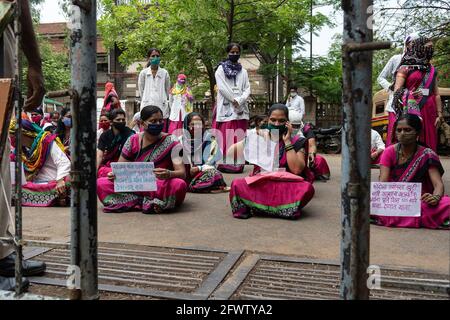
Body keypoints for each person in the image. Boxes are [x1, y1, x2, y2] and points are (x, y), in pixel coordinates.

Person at [0, 0, 47, 292]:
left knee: (2, 146)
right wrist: (36, 62)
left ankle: (2, 250)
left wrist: (34, 61)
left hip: (3, 24)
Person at [227, 104, 315, 219]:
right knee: (237, 184)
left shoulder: (297, 141)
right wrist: (250, 140)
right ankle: (279, 209)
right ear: (267, 120)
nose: (277, 124)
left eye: (281, 121)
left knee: (307, 188)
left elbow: (296, 169)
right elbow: (230, 154)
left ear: (287, 123)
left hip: (285, 187)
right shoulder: (259, 137)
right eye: (273, 120)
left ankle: (261, 207)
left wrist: (287, 142)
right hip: (262, 184)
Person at [97, 105, 187, 214]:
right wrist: (115, 175)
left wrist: (169, 173)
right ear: (142, 123)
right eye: (153, 121)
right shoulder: (132, 140)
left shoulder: (172, 141)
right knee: (101, 183)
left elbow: (182, 173)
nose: (158, 124)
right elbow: (121, 168)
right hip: (134, 183)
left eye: (160, 121)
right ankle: (148, 202)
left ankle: (133, 201)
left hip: (157, 183)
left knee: (179, 185)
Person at [372, 114, 449, 229]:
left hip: (420, 201)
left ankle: (394, 218)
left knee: (445, 203)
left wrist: (435, 198)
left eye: (407, 130)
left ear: (418, 132)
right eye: (399, 130)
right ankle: (419, 218)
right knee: (362, 200)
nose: (402, 133)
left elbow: (438, 184)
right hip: (392, 201)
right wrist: (389, 200)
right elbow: (383, 183)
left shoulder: (427, 154)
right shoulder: (389, 152)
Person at [390, 36, 443, 152]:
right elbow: (397, 91)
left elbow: (436, 93)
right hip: (411, 108)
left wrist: (439, 114)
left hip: (429, 110)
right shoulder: (405, 67)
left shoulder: (431, 69)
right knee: (411, 139)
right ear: (419, 48)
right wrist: (410, 94)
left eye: (431, 48)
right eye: (427, 48)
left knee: (429, 141)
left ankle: (428, 165)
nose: (430, 50)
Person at [9, 118, 71, 207]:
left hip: (54, 182)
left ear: (25, 134)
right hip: (35, 184)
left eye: (14, 136)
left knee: (66, 185)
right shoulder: (20, 150)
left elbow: (63, 162)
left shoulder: (46, 142)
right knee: (14, 187)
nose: (13, 139)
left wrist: (60, 180)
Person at [215, 43, 251, 173]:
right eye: (232, 52)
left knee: (240, 134)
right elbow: (222, 87)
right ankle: (226, 162)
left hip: (240, 106)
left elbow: (247, 88)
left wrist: (240, 100)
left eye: (237, 52)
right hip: (227, 106)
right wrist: (233, 99)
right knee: (227, 134)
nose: (235, 54)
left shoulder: (244, 71)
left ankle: (238, 161)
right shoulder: (220, 70)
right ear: (228, 53)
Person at [378, 34, 419, 146]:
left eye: (418, 42)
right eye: (412, 42)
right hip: (396, 103)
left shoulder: (421, 62)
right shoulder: (396, 59)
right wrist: (390, 87)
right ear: (407, 44)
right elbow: (380, 77)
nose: (415, 45)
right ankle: (391, 160)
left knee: (412, 133)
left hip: (414, 103)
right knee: (395, 132)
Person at [181, 112, 228, 193]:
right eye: (193, 124)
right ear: (187, 126)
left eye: (200, 124)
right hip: (185, 174)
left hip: (202, 172)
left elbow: (212, 161)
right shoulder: (180, 140)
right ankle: (204, 187)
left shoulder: (210, 139)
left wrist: (199, 168)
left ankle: (191, 186)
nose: (197, 127)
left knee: (215, 174)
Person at [138, 48, 171, 132]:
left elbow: (167, 90)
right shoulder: (144, 73)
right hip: (147, 104)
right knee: (147, 131)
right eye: (153, 56)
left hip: (161, 105)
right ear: (148, 58)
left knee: (161, 132)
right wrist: (146, 99)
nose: (155, 58)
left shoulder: (164, 73)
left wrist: (163, 99)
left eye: (157, 56)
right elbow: (141, 90)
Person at [96, 109, 135, 178]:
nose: (121, 121)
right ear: (111, 122)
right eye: (118, 120)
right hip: (109, 166)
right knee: (101, 171)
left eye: (123, 120)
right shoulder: (104, 135)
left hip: (125, 167)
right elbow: (99, 155)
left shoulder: (130, 134)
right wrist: (94, 171)